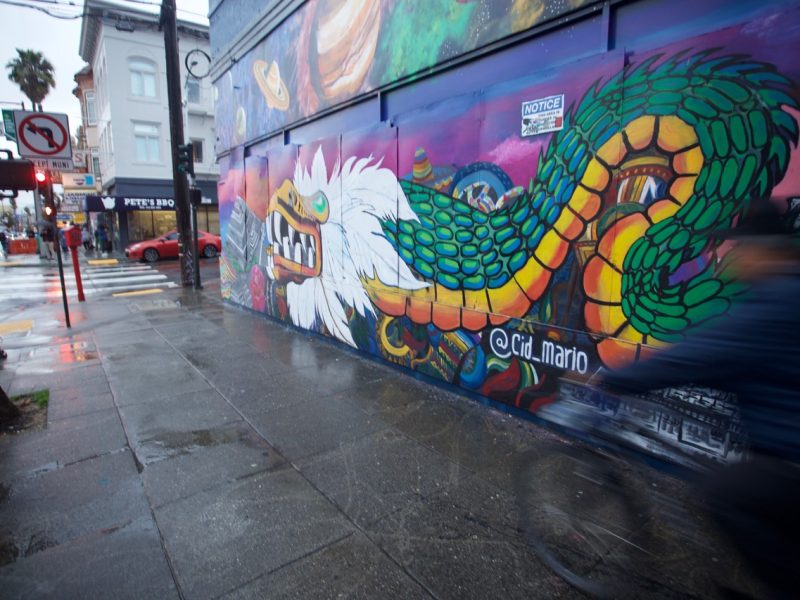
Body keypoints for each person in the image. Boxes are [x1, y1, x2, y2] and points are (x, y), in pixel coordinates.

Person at [602, 199, 800, 599]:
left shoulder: (773, 306)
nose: (735, 257)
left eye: (742, 249)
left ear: (768, 251)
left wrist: (615, 380)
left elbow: (697, 357)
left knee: (725, 493)